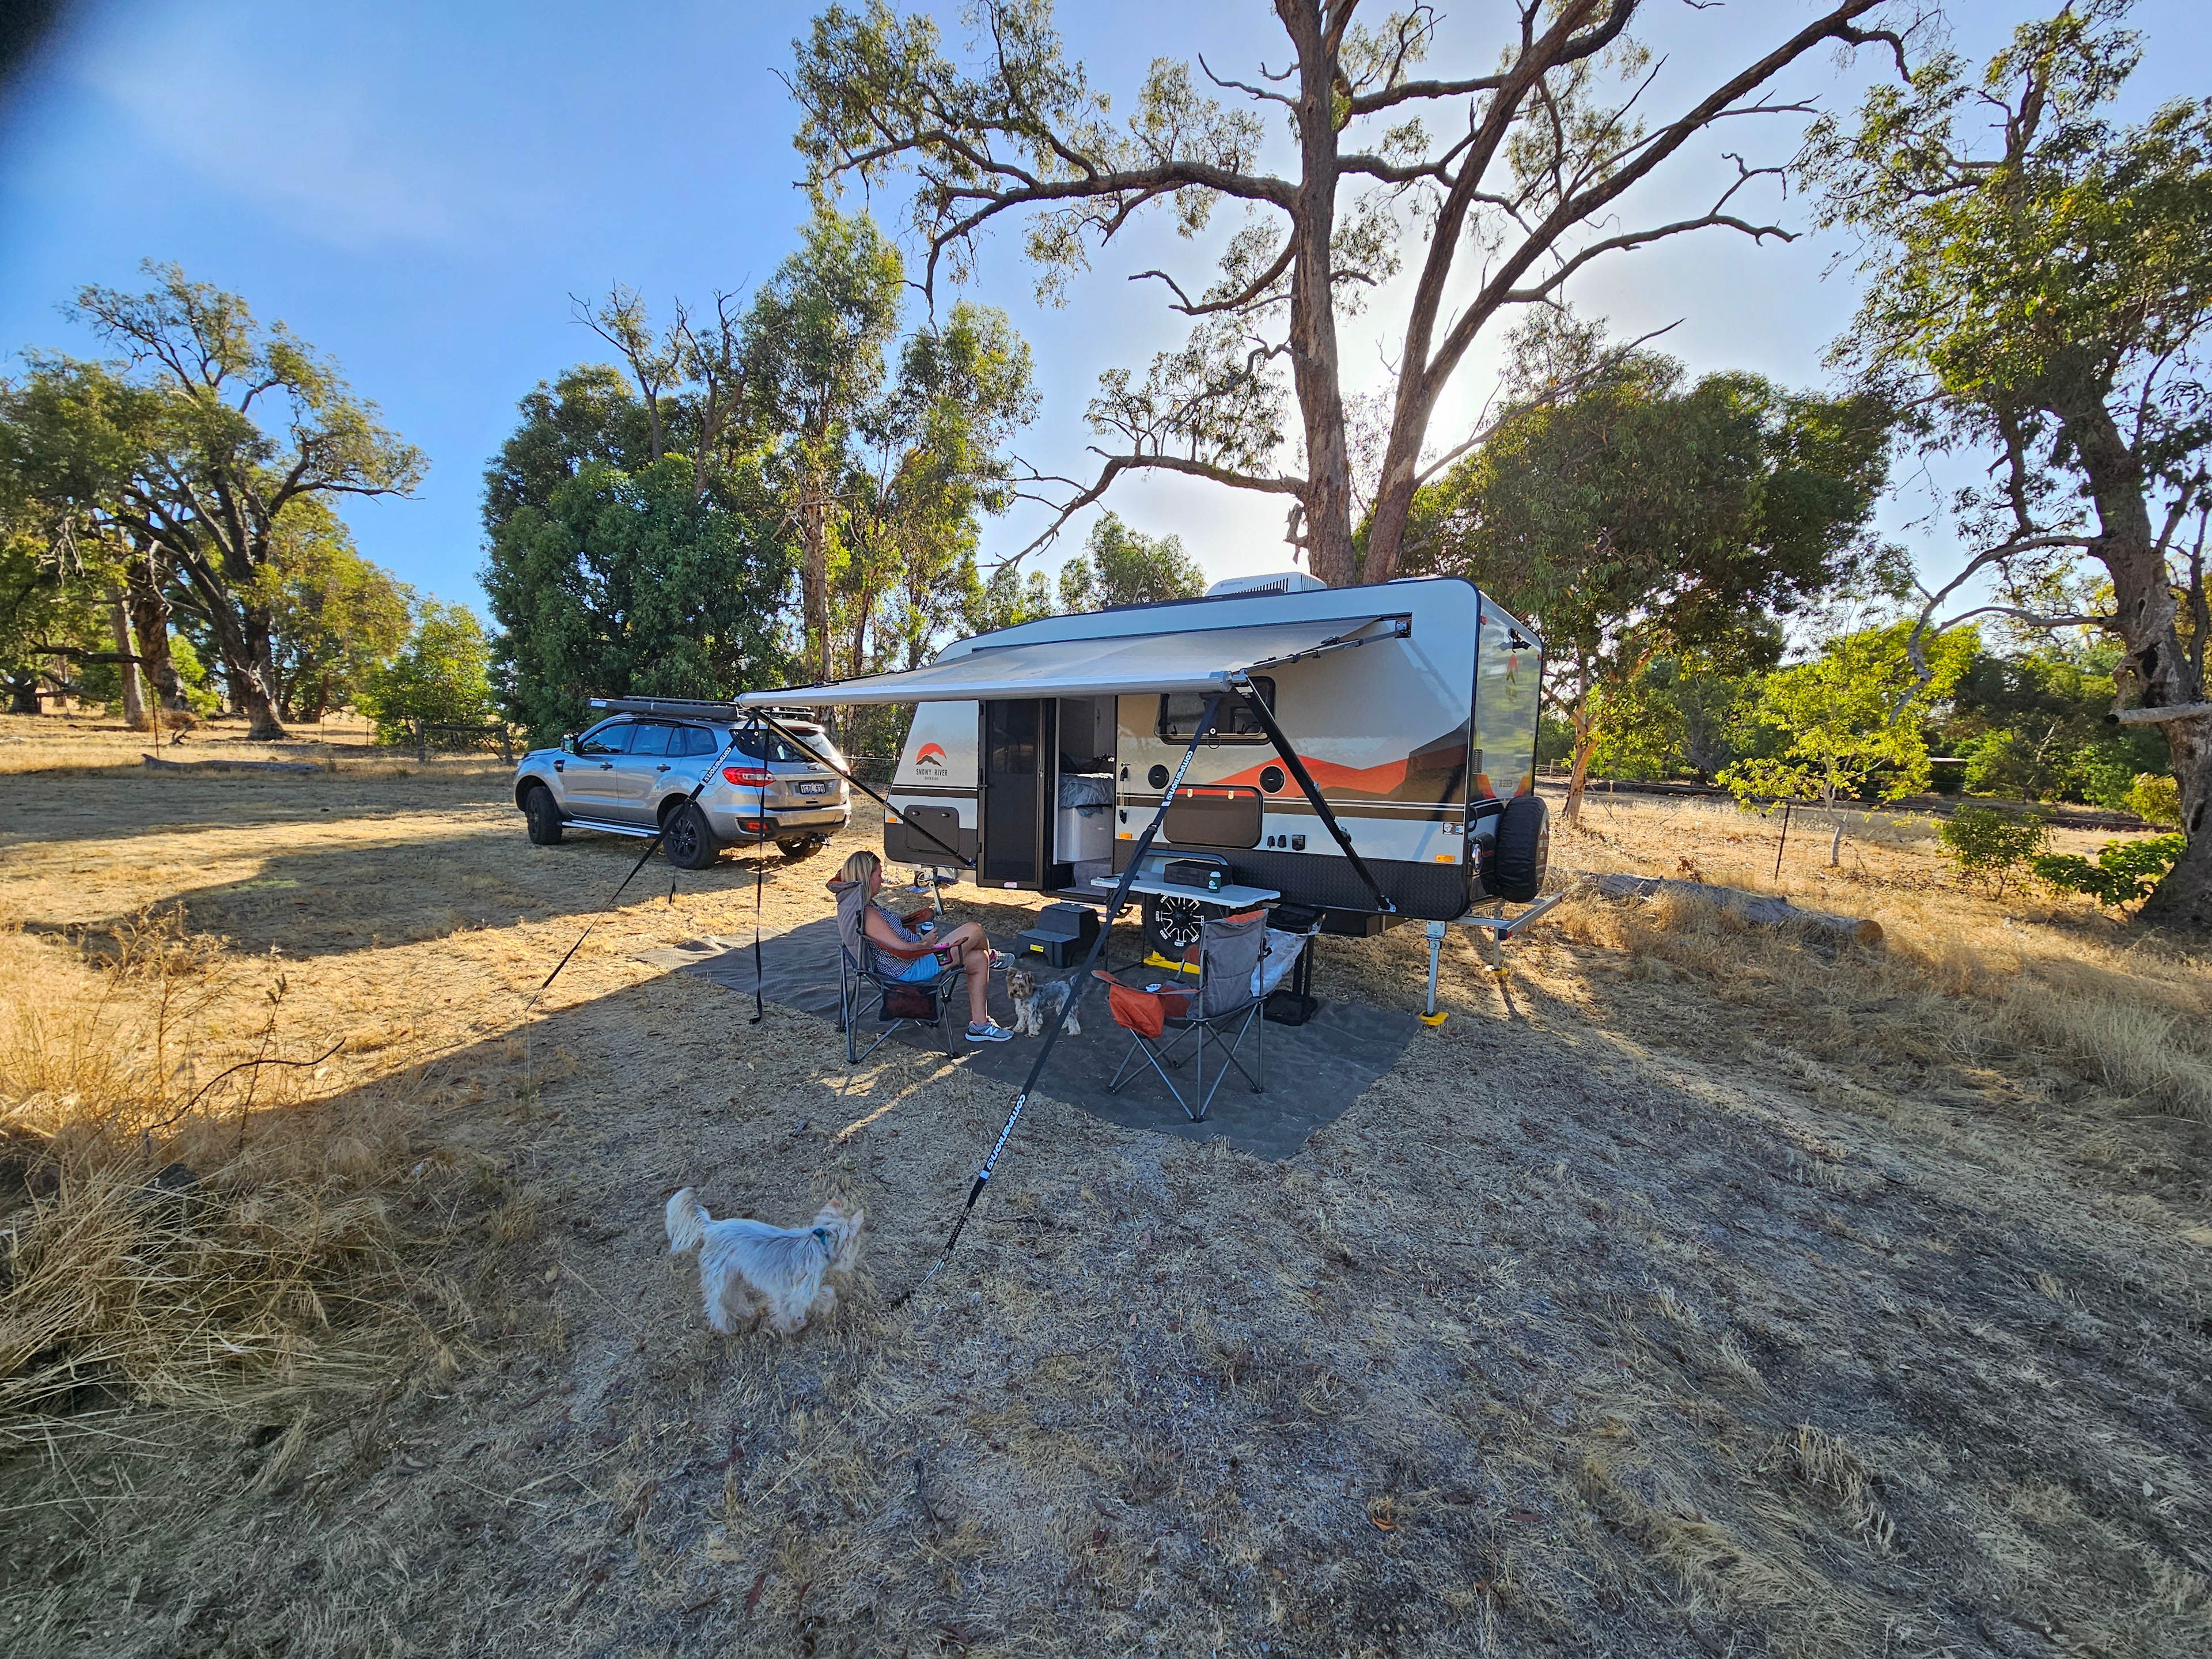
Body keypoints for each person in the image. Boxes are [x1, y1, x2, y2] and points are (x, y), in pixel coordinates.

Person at [839, 849, 1014, 1042]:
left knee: (978, 958)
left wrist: (922, 942)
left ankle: (980, 1026)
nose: (882, 880)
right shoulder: (869, 915)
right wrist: (927, 944)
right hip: (913, 970)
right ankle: (993, 958)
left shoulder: (858, 904)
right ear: (866, 877)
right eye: (879, 875)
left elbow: (896, 943)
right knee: (974, 930)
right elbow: (902, 950)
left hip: (919, 959)